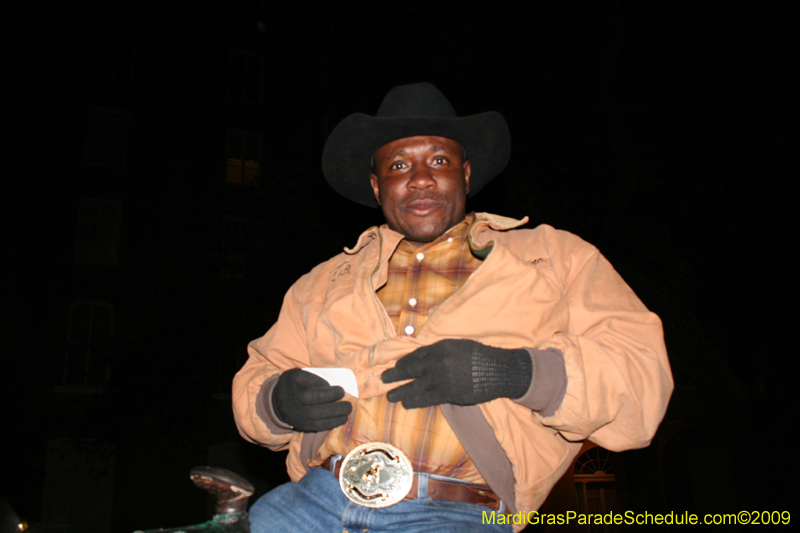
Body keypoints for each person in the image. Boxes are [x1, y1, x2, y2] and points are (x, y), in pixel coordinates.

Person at [232, 82, 673, 532]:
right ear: (376, 186)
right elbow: (259, 376)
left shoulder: (555, 261)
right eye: (399, 164)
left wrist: (515, 372)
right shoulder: (323, 282)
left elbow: (642, 384)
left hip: (457, 515)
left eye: (438, 161)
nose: (420, 177)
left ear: (464, 174)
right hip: (310, 505)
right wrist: (277, 401)